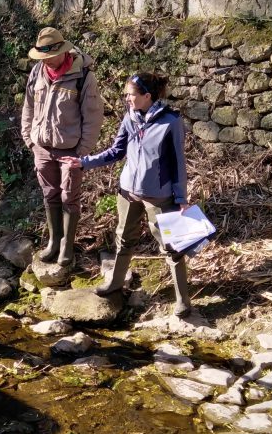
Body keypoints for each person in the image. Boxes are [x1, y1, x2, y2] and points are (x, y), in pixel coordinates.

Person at [61, 72, 192, 317]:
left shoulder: (171, 121)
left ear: (147, 96)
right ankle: (115, 283)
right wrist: (83, 162)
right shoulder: (129, 118)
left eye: (131, 94)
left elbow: (178, 163)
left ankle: (182, 300)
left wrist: (181, 198)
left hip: (159, 196)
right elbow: (116, 151)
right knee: (123, 239)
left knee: (171, 247)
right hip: (128, 192)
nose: (127, 99)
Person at [21, 26, 104, 267]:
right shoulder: (38, 72)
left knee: (70, 197)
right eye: (41, 57)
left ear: (63, 52)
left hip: (71, 150)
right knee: (50, 194)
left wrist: (82, 151)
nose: (45, 61)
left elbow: (93, 117)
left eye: (49, 57)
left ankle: (67, 246)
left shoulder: (83, 77)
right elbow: (28, 106)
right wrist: (29, 138)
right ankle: (54, 242)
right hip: (42, 147)